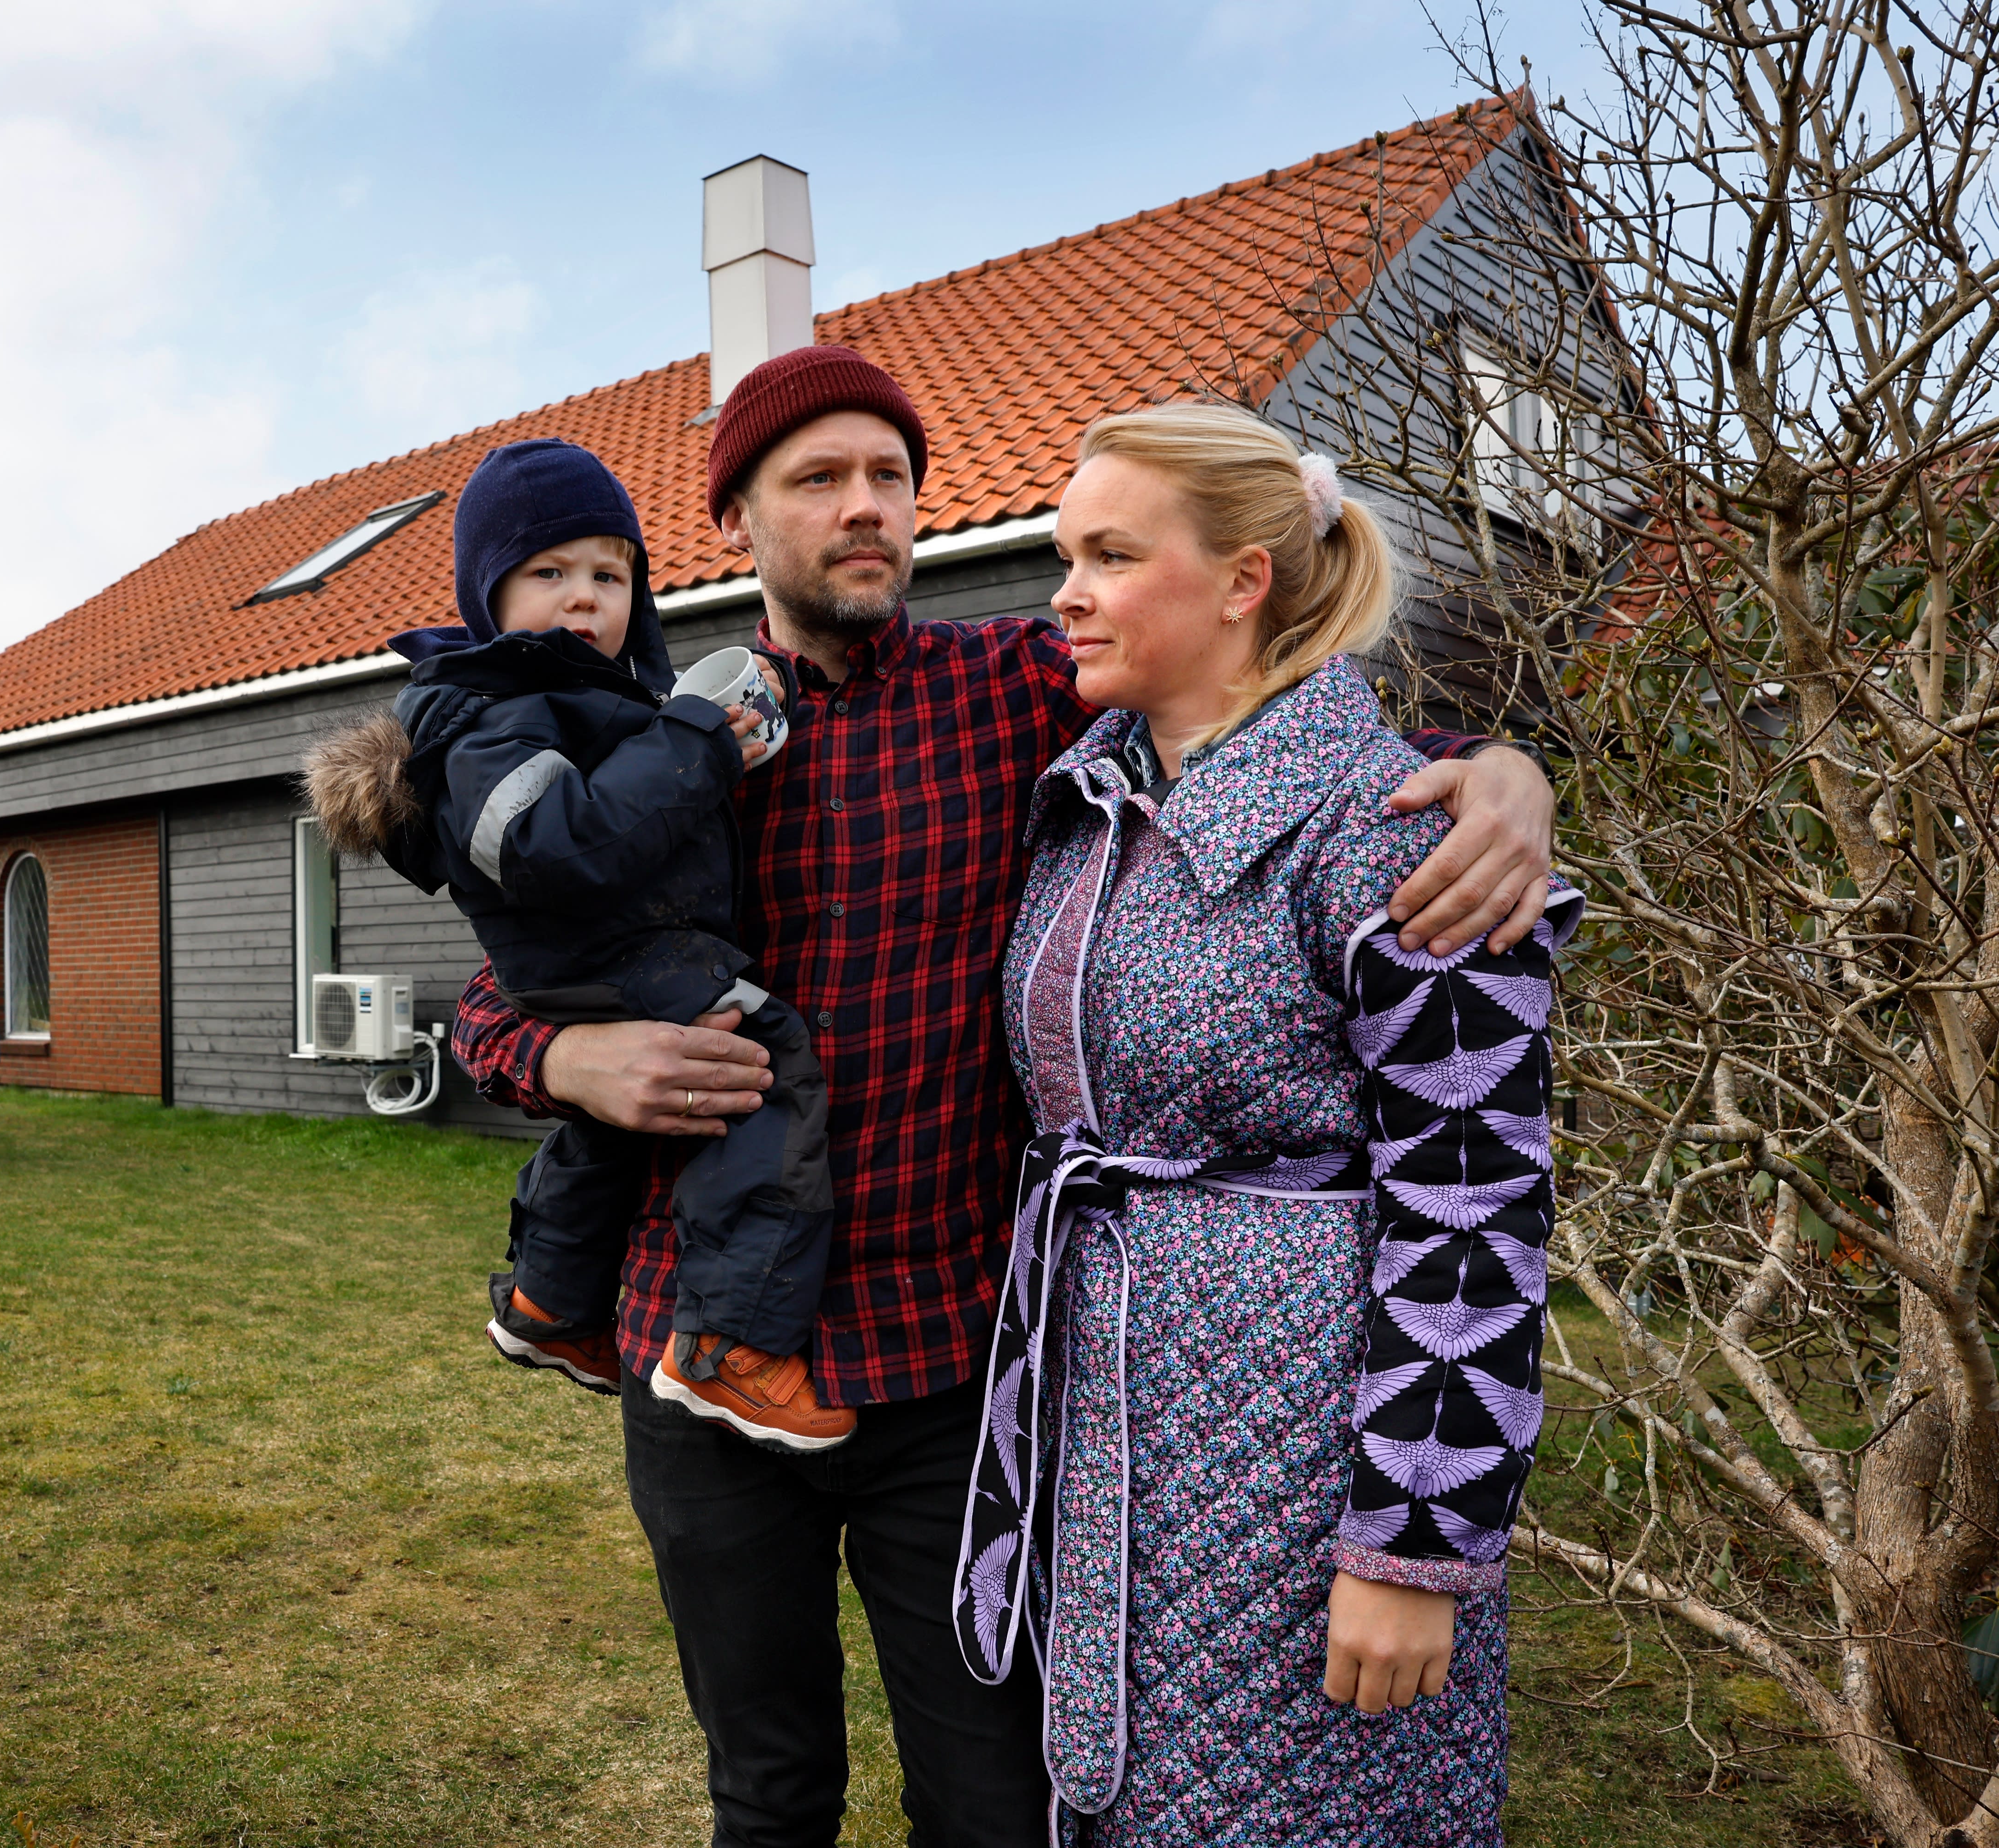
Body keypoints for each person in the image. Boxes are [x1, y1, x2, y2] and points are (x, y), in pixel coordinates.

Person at [451, 346, 1561, 1846]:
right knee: (766, 1793)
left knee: (990, 1802)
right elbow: (515, 968)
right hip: (705, 1354)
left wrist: (1495, 771)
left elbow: (1245, 701)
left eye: (889, 476)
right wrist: (559, 1059)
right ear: (732, 524)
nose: (864, 506)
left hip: (954, 1375)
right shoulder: (677, 740)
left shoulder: (1020, 690)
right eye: (817, 478)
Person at [956, 401, 1575, 1843]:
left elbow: (1477, 1192)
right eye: (1065, 555)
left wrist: (1413, 1542)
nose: (1065, 593)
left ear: (1243, 580)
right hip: (1108, 1407)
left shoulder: (1394, 829)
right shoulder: (1087, 802)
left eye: (1111, 555)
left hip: (1299, 1453)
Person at [305, 437, 849, 1452]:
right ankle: (731, 1343)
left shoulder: (583, 699)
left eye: (610, 574)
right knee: (760, 1067)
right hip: (604, 948)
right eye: (549, 573)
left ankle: (550, 1301)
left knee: (617, 1123)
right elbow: (550, 849)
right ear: (487, 594)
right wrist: (694, 740)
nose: (585, 598)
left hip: (599, 955)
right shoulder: (490, 712)